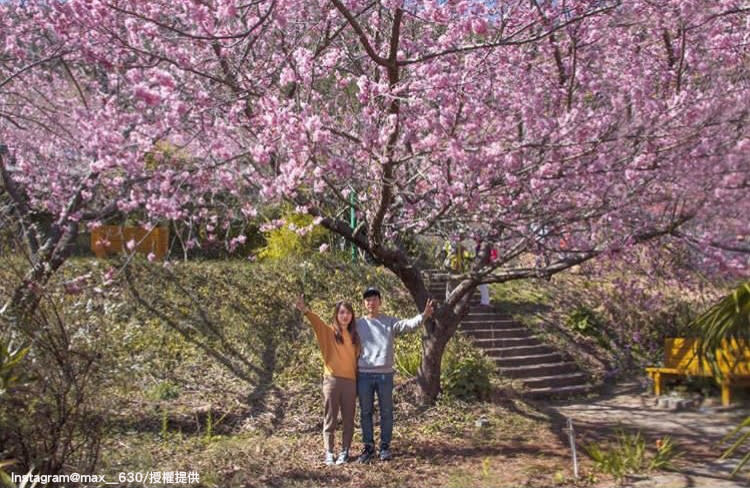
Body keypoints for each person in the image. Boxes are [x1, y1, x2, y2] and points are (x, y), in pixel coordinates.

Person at [355, 287, 435, 463]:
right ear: (364, 303)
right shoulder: (358, 324)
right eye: (368, 300)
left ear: (380, 302)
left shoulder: (389, 322)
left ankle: (385, 446)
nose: (371, 303)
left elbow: (407, 325)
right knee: (365, 412)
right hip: (364, 375)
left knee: (387, 412)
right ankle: (368, 447)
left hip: (385, 375)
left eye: (374, 299)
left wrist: (423, 316)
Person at [295, 296, 360, 466]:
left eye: (348, 313)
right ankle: (329, 452)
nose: (345, 316)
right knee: (330, 418)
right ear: (336, 315)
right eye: (341, 312)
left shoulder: (355, 336)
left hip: (350, 382)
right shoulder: (329, 332)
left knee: (348, 419)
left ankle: (345, 451)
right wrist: (305, 310)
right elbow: (316, 322)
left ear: (352, 316)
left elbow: (358, 360)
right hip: (332, 381)